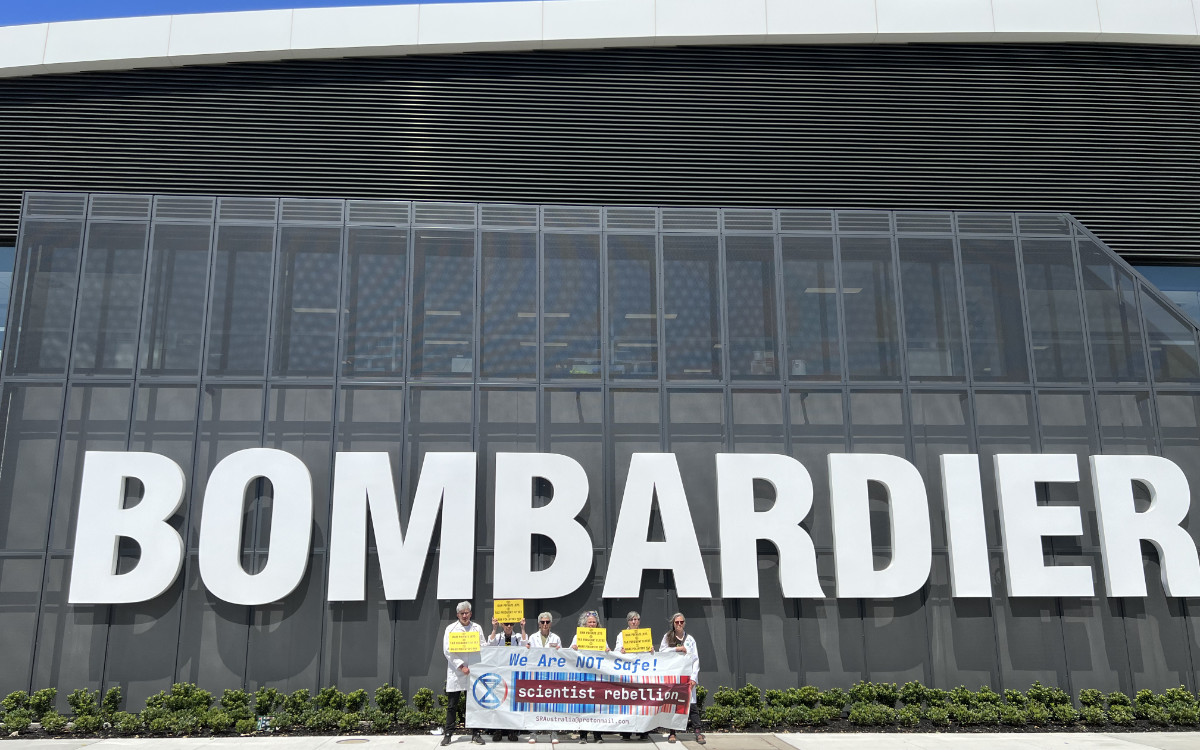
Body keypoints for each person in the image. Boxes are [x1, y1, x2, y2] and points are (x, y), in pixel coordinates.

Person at [442, 601, 486, 746]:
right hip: (456, 672)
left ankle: (475, 733)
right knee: (452, 705)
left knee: (473, 704)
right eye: (462, 613)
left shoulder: (477, 628)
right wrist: (461, 666)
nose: (465, 615)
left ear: (471, 614)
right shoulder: (451, 629)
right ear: (458, 615)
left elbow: (483, 646)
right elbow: (447, 650)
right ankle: (448, 734)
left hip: (473, 672)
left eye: (467, 613)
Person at [658, 613, 704, 745]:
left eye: (681, 622)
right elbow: (662, 652)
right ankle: (672, 732)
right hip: (674, 677)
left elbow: (695, 659)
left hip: (687, 677)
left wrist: (694, 678)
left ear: (684, 623)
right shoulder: (668, 637)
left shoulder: (690, 639)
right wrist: (677, 648)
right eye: (677, 622)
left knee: (692, 705)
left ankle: (697, 731)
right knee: (674, 704)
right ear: (673, 623)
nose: (679, 624)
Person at [569, 611, 609, 743]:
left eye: (594, 622)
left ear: (597, 624)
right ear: (584, 624)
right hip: (584, 676)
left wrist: (607, 650)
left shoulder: (601, 637)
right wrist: (573, 648)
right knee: (584, 706)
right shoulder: (578, 636)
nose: (592, 624)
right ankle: (583, 735)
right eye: (589, 622)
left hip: (597, 676)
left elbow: (607, 652)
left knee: (597, 705)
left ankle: (598, 735)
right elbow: (569, 652)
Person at [489, 617, 527, 741]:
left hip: (513, 675)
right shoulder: (499, 636)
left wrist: (522, 628)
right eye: (506, 624)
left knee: (511, 703)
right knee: (499, 703)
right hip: (500, 674)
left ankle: (512, 731)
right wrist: (494, 628)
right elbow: (490, 644)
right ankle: (498, 731)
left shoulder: (517, 637)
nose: (509, 626)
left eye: (511, 624)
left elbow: (524, 644)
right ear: (502, 625)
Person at [526, 612, 561, 745]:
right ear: (539, 624)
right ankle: (533, 733)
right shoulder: (532, 637)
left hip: (551, 676)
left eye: (547, 622)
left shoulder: (556, 638)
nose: (545, 624)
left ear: (550, 623)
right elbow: (528, 656)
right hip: (536, 676)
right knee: (534, 705)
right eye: (542, 622)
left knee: (552, 705)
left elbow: (561, 658)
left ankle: (553, 733)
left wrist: (559, 650)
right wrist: (527, 649)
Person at [614, 612, 649, 742]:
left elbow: (649, 653)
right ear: (628, 622)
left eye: (636, 619)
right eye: (632, 620)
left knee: (643, 702)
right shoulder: (622, 635)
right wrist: (621, 651)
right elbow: (616, 650)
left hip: (641, 673)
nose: (634, 622)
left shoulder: (644, 634)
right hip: (628, 674)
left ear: (639, 621)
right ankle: (626, 732)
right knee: (628, 702)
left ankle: (643, 731)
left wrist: (651, 650)